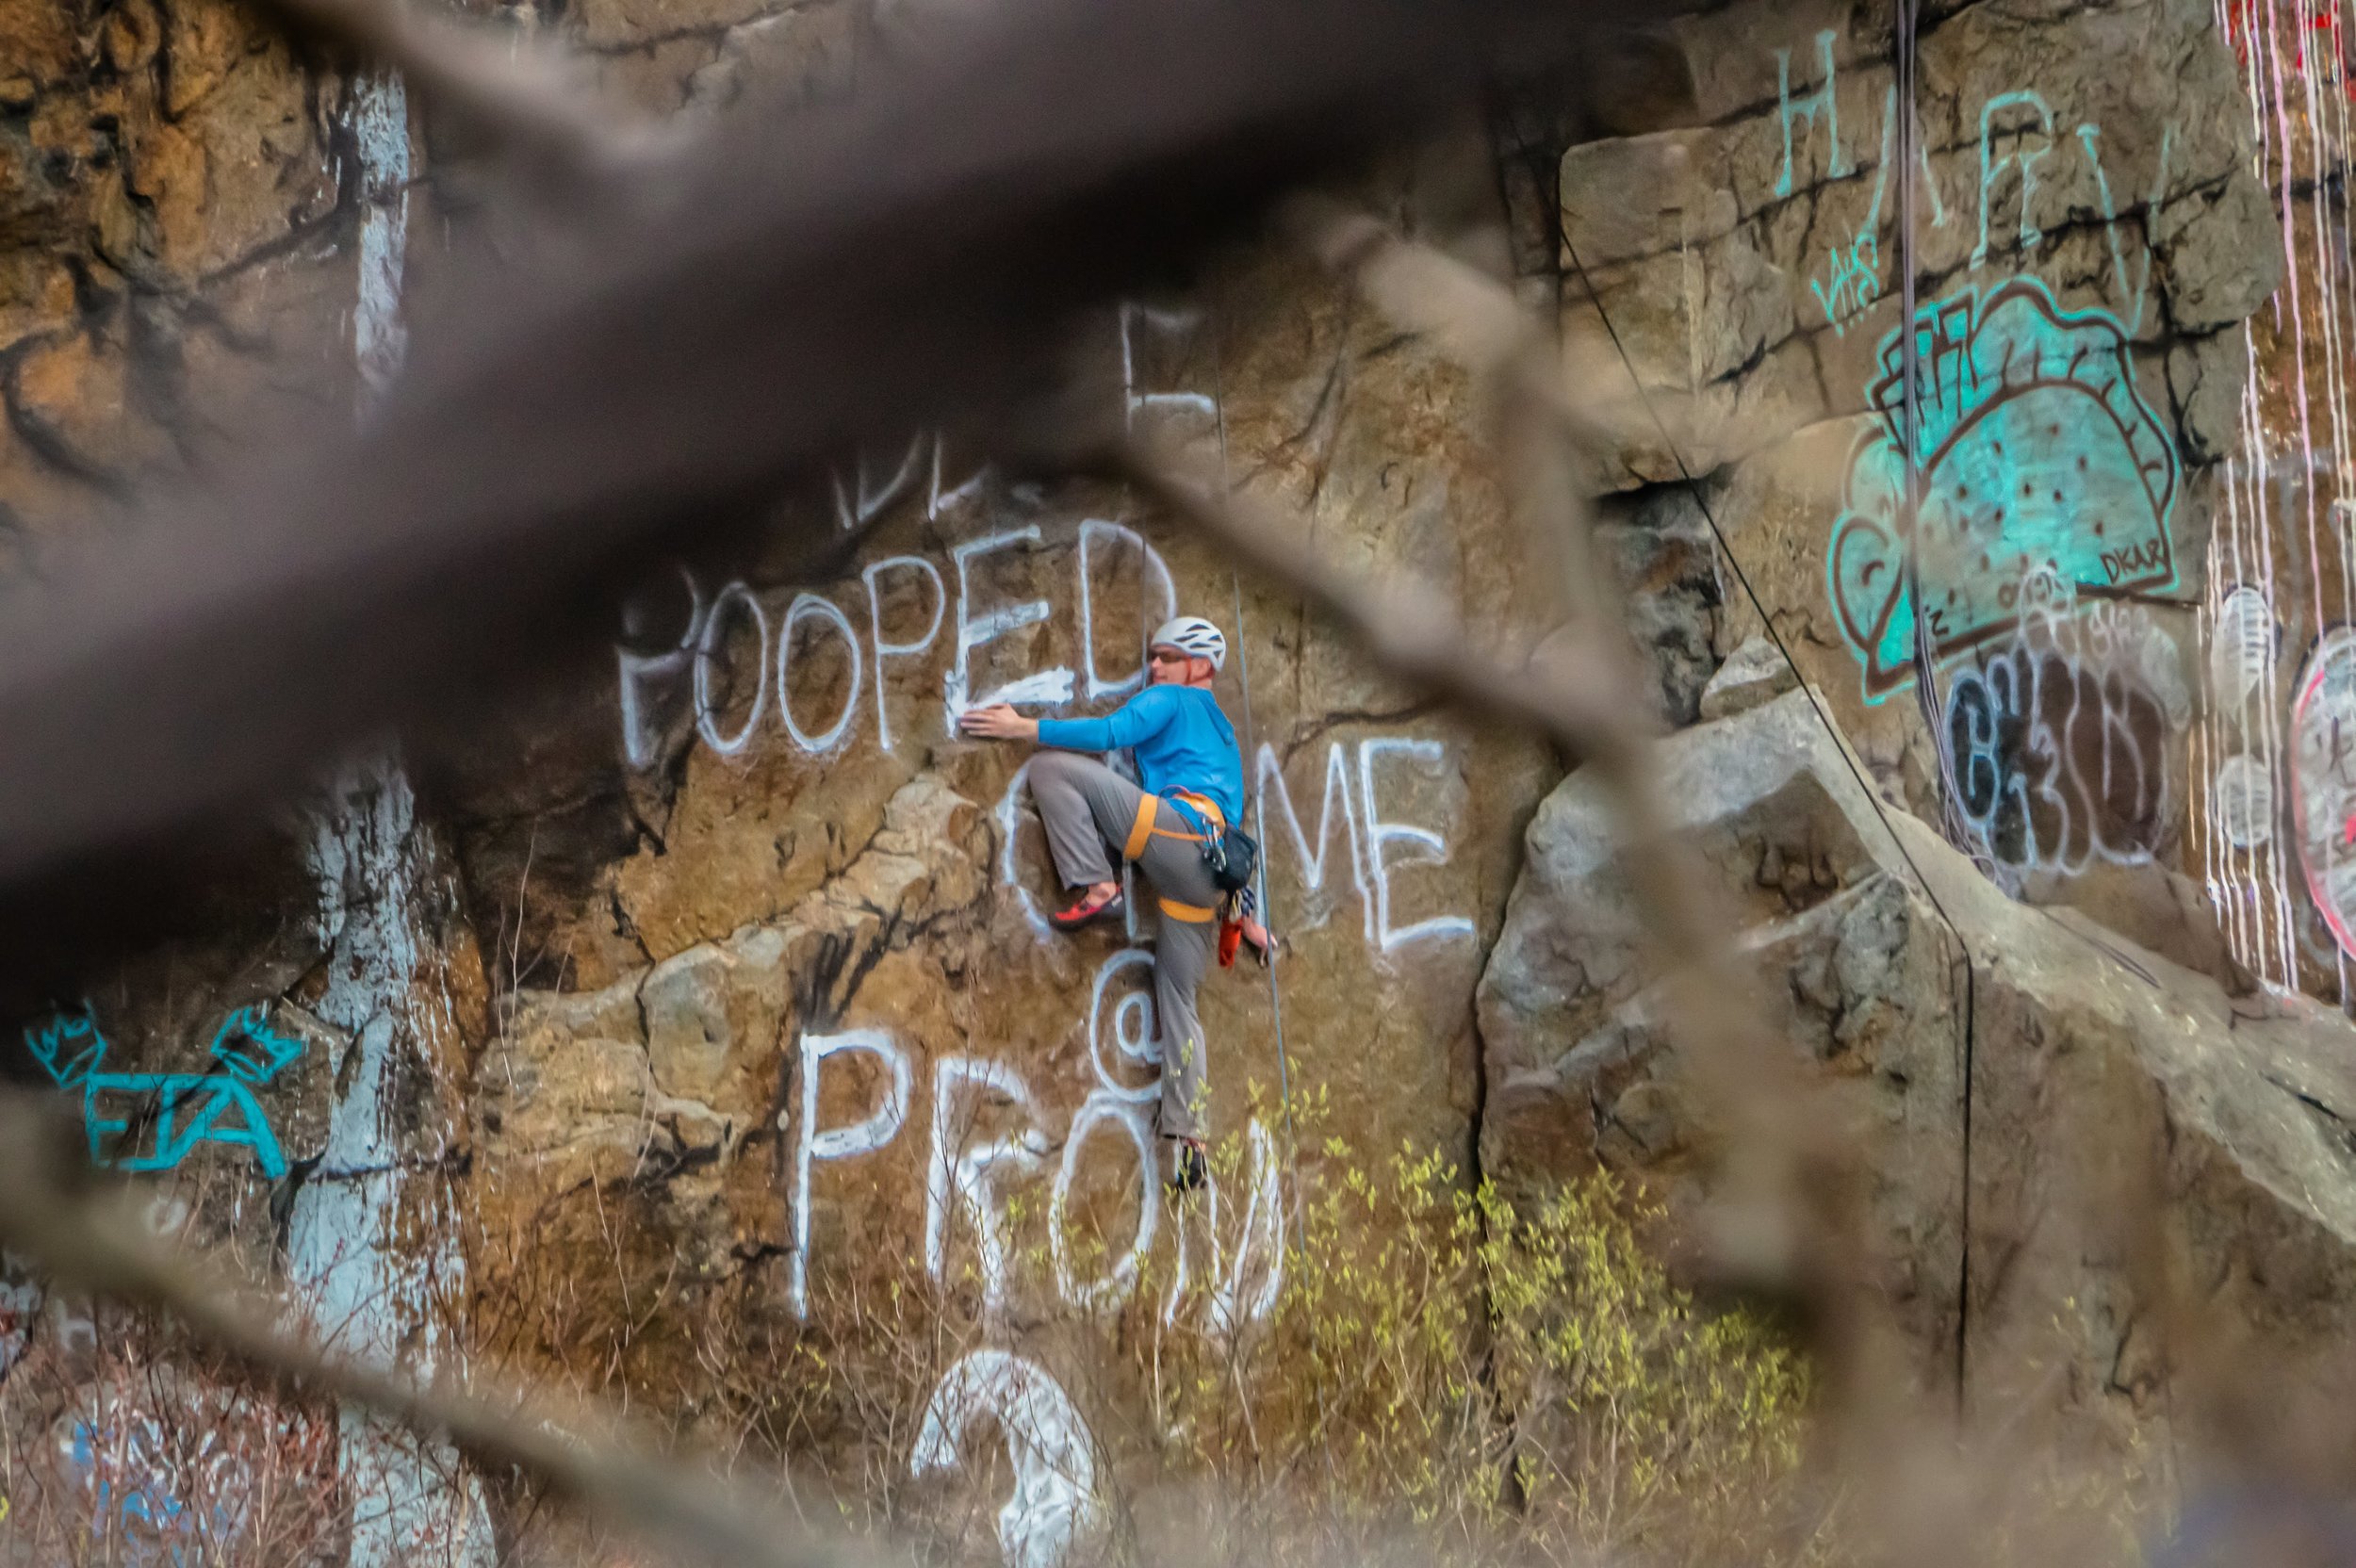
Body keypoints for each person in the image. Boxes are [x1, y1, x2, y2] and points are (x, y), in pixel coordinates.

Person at [959, 615, 1268, 1190]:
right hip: (1207, 876)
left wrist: (1024, 727)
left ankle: (1097, 884)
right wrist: (1250, 919)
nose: (1155, 668)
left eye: (1168, 657)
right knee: (1177, 999)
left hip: (1175, 836)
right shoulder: (1222, 734)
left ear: (1199, 668)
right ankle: (1190, 1140)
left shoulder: (1173, 701)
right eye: (1154, 658)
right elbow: (1237, 833)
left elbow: (1107, 735)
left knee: (1052, 769)